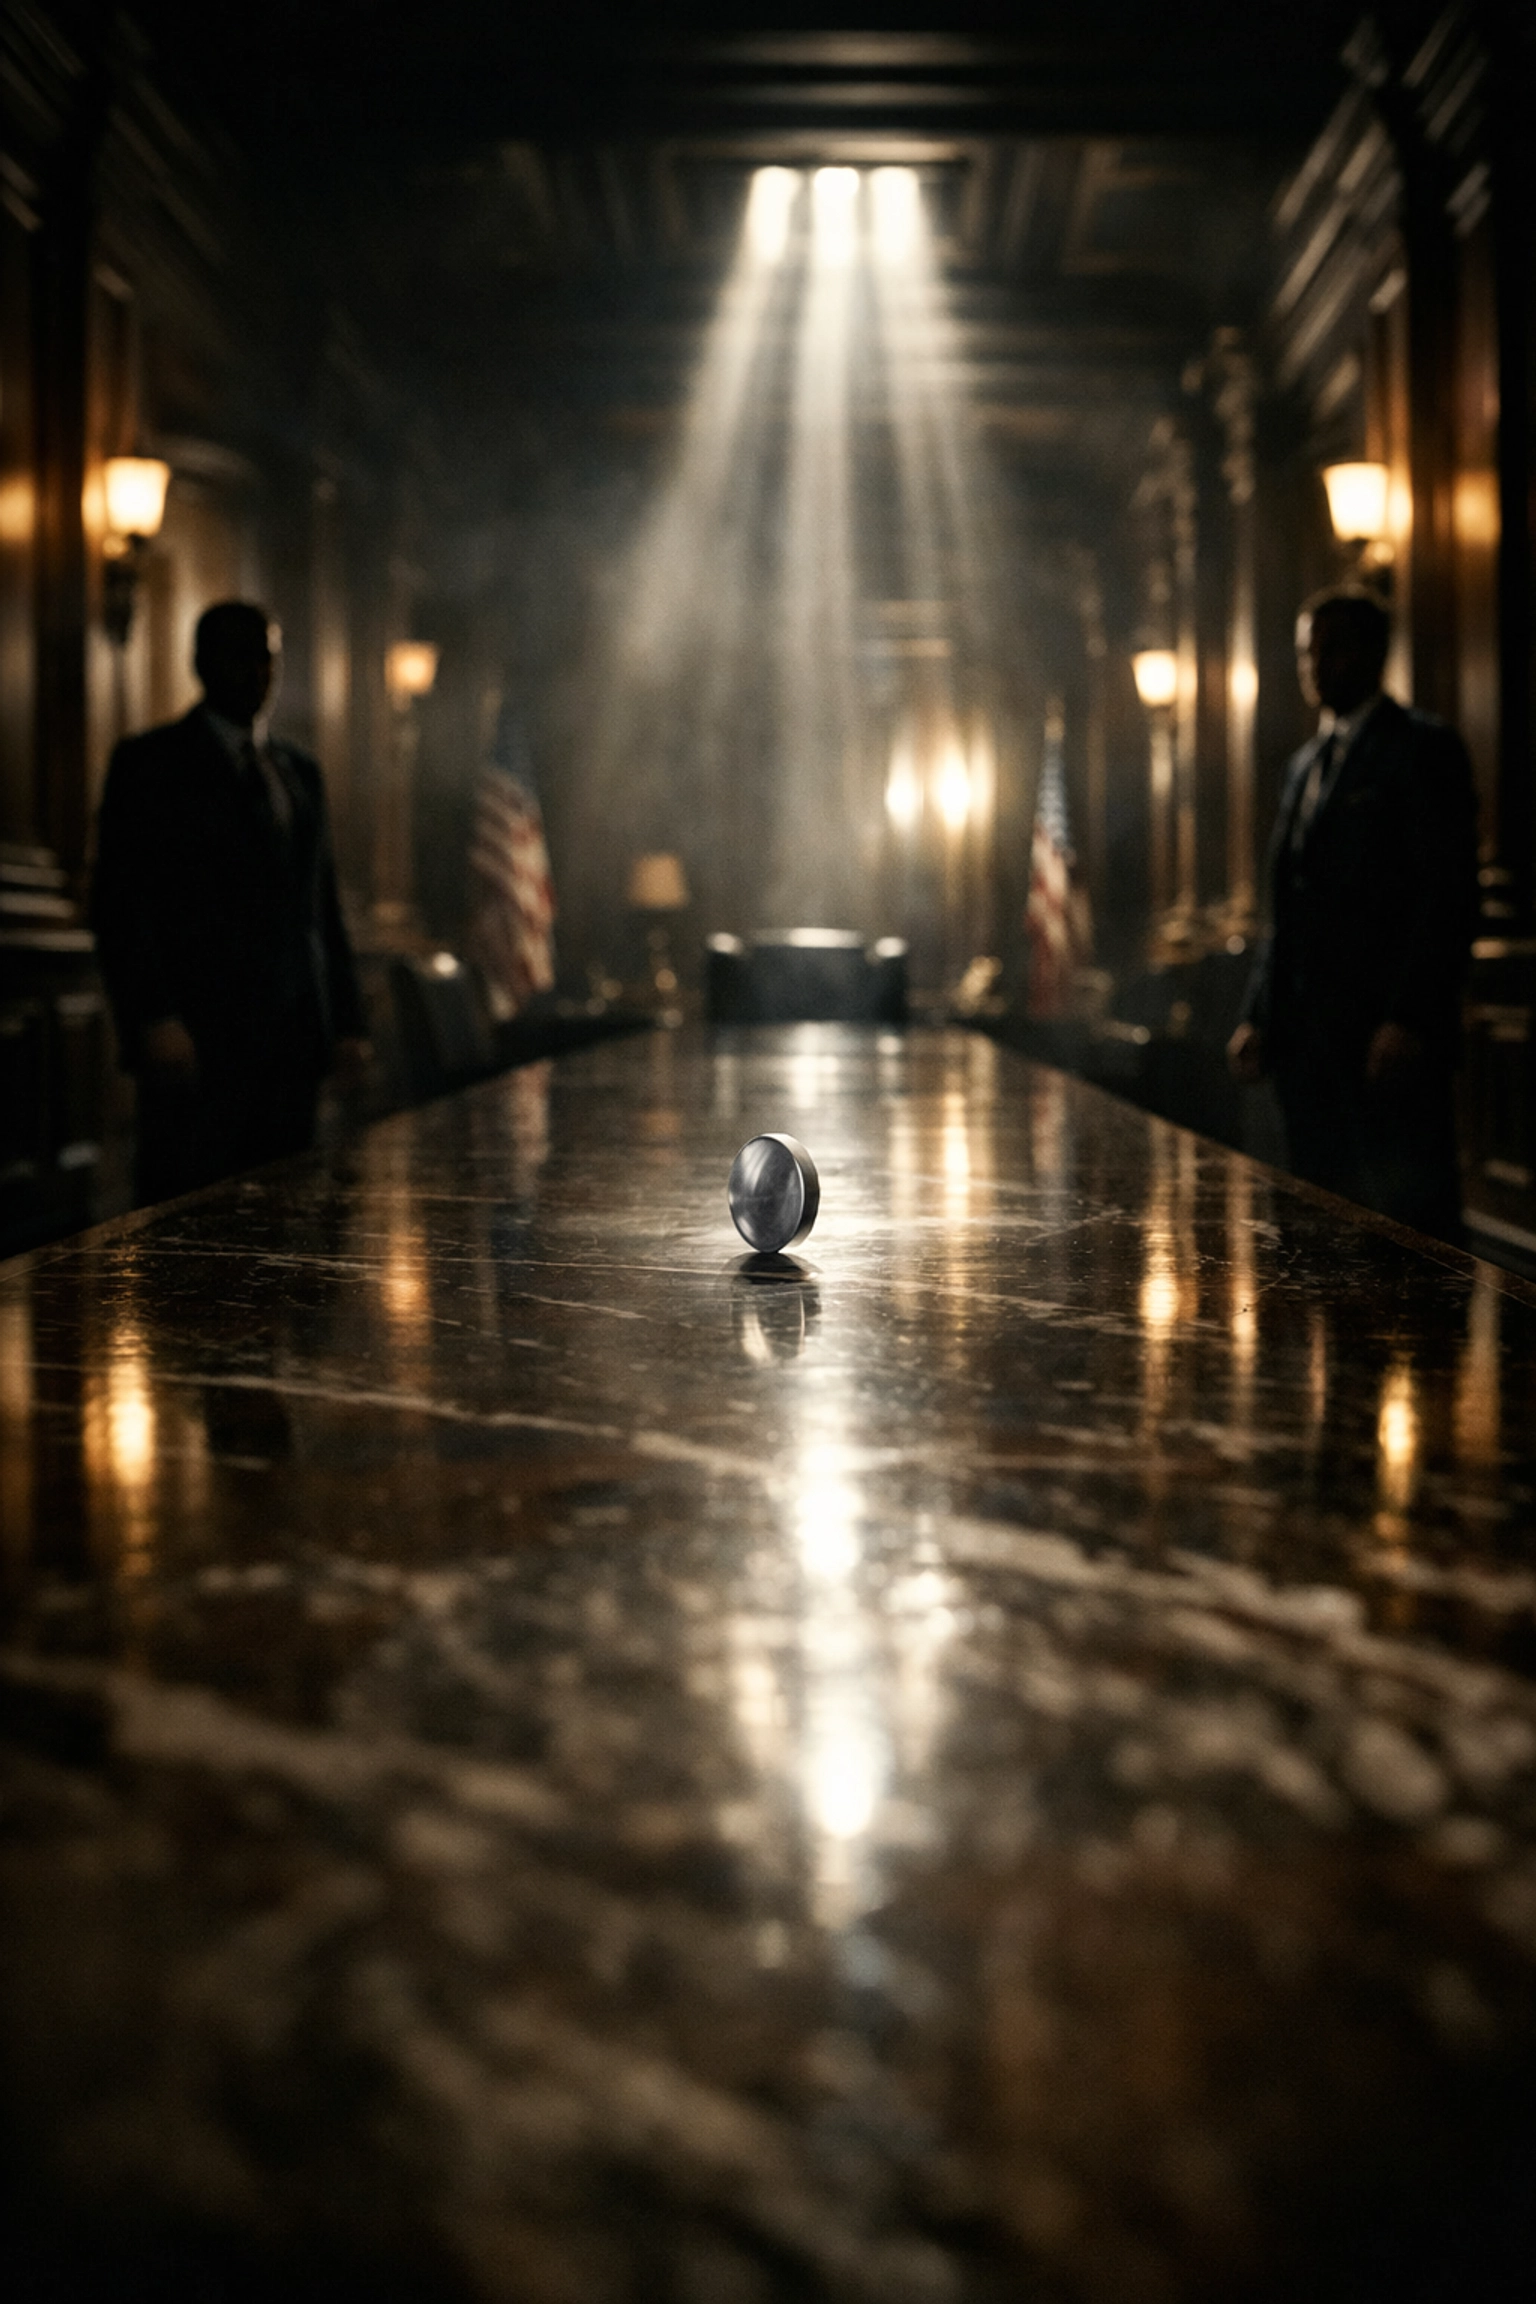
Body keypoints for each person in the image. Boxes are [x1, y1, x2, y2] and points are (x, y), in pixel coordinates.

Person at [92, 600, 369, 1206]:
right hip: (200, 1039)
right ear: (201, 663)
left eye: (267, 658)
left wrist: (347, 1022)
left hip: (293, 1040)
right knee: (188, 1222)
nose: (257, 673)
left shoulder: (299, 771)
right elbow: (122, 902)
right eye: (239, 656)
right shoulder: (151, 764)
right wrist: (153, 1017)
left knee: (288, 1220)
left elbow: (321, 908)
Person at [1228, 586, 1478, 1238]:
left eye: (1332, 649)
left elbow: (1444, 897)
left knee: (1410, 1231)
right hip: (1305, 1042)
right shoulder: (1304, 765)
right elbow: (1287, 905)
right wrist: (1258, 1012)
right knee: (1319, 1226)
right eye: (1308, 652)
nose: (1316, 665)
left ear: (1373, 654)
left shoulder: (1422, 748)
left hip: (1382, 1040)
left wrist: (1408, 1018)